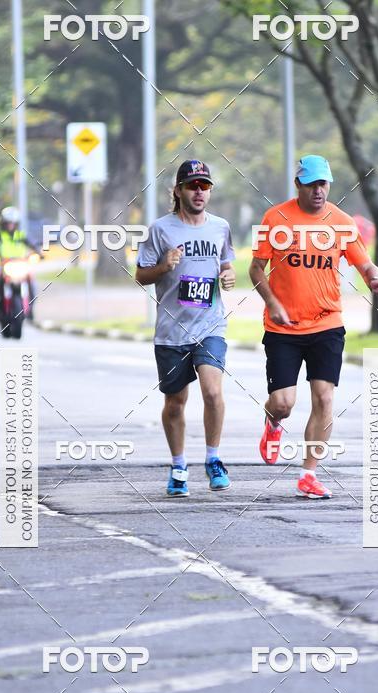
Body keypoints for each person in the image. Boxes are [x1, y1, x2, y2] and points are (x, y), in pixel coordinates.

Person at [249, 155, 378, 499]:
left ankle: (308, 474)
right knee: (283, 402)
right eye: (311, 184)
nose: (318, 191)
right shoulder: (275, 218)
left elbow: (364, 263)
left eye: (323, 184)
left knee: (324, 397)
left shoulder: (341, 222)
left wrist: (374, 278)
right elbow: (255, 268)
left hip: (327, 323)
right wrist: (273, 303)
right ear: (298, 184)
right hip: (283, 328)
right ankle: (273, 423)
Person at [135, 160, 236, 496]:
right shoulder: (160, 230)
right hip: (172, 331)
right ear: (178, 191)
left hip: (210, 325)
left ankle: (213, 459)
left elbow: (227, 263)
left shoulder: (220, 227)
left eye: (205, 186)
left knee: (213, 392)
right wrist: (164, 266)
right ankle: (178, 467)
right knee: (176, 402)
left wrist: (228, 275)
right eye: (193, 186)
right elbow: (141, 275)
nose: (199, 192)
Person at [0, 207, 40, 320]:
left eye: (13, 223)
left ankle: (31, 311)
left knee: (32, 284)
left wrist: (38, 252)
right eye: (8, 223)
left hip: (20, 265)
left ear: (16, 223)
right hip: (2, 266)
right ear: (3, 223)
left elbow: (34, 243)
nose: (10, 225)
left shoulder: (21, 235)